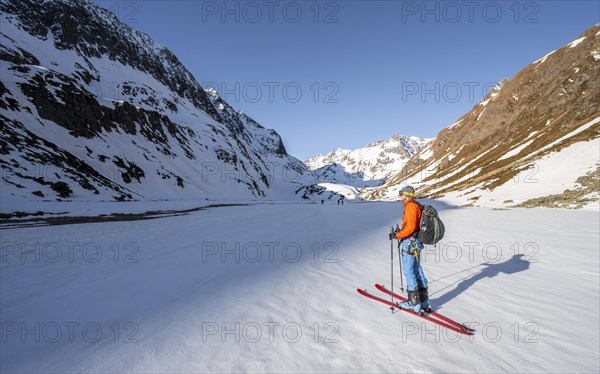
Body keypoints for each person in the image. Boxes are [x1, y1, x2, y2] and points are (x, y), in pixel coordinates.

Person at [391, 186, 430, 313]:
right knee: (416, 269)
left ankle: (414, 303)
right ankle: (424, 302)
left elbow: (411, 227)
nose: (400, 195)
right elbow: (411, 225)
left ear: (407, 195)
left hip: (410, 242)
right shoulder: (415, 204)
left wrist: (397, 235)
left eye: (401, 193)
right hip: (416, 241)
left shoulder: (410, 206)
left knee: (409, 271)